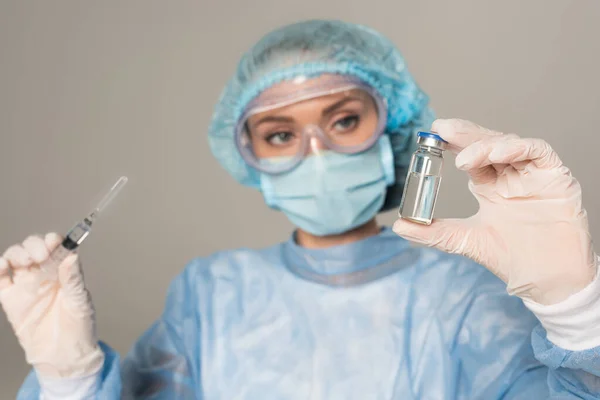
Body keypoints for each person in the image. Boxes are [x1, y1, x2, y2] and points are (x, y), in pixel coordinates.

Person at [2, 19, 599, 399]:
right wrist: (68, 378)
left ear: (391, 127)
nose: (317, 153)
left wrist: (578, 312)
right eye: (281, 134)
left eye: (343, 120)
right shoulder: (212, 295)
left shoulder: (466, 295)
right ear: (251, 156)